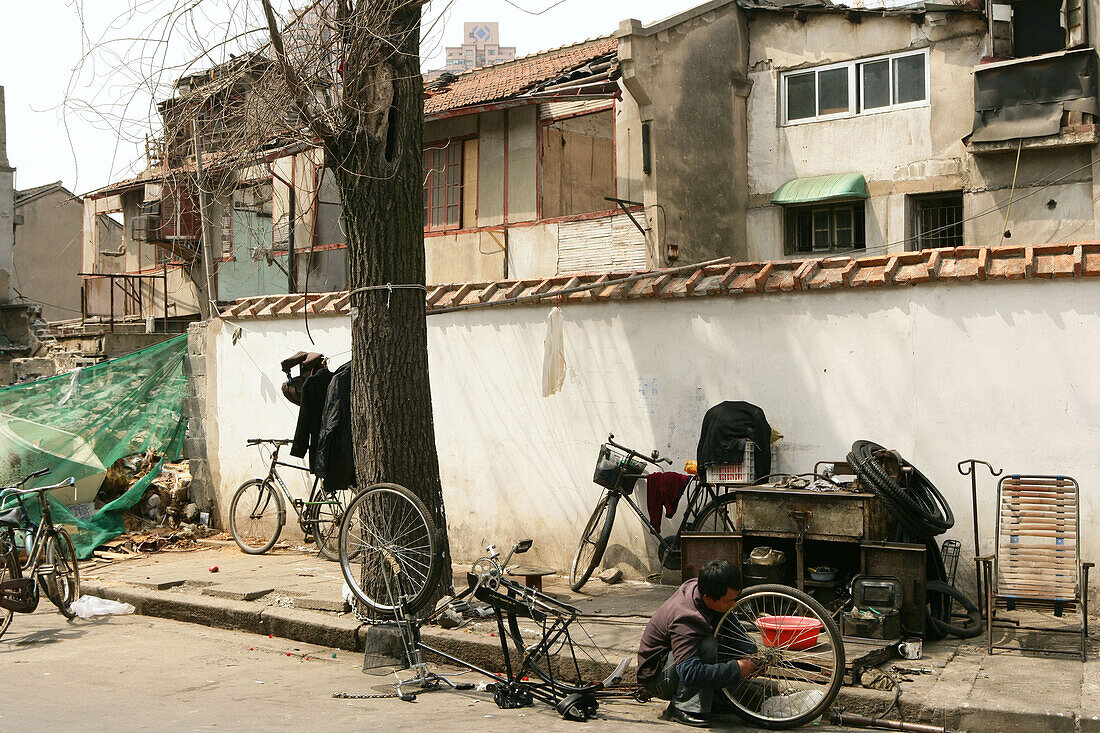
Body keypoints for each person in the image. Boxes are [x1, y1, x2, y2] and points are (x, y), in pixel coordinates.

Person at [637, 559, 757, 728]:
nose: (733, 605)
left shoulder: (706, 587)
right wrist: (737, 669)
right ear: (708, 597)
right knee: (707, 645)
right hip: (656, 677)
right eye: (728, 600)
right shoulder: (687, 618)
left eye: (734, 599)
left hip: (676, 661)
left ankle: (711, 698)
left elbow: (736, 633)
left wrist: (752, 655)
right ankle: (682, 706)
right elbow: (689, 672)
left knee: (732, 640)